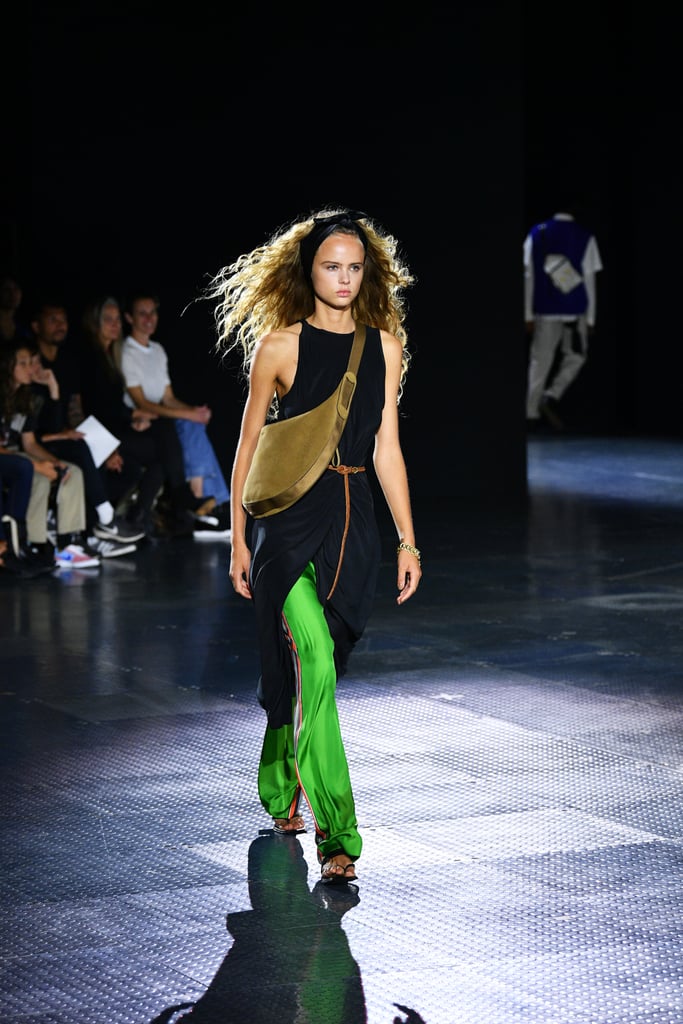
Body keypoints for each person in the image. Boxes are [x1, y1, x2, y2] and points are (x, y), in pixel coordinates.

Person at [206, 208, 422, 884]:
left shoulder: (380, 345)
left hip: (355, 526)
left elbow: (386, 446)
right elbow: (247, 449)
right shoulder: (278, 346)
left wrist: (407, 540)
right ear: (310, 270)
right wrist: (239, 540)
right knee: (316, 661)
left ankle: (278, 787)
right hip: (288, 526)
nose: (344, 278)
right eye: (332, 265)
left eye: (355, 267)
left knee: (308, 671)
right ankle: (339, 838)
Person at [30, 299, 145, 556]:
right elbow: (29, 429)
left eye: (63, 320)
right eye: (53, 320)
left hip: (67, 436)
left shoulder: (66, 363)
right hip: (42, 441)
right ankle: (105, 521)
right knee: (85, 451)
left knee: (126, 468)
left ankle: (95, 533)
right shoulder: (30, 363)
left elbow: (73, 412)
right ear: (36, 326)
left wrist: (100, 445)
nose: (60, 326)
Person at [120, 291, 230, 530]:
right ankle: (199, 503)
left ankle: (198, 505)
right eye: (142, 313)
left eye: (153, 312)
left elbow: (168, 397)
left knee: (194, 424)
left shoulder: (157, 350)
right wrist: (187, 414)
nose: (149, 318)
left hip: (161, 417)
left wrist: (194, 411)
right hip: (141, 422)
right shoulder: (126, 352)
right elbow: (143, 403)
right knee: (184, 425)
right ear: (129, 318)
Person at [0, 342, 99, 569]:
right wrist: (37, 467)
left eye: (30, 363)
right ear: (8, 368)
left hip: (17, 452)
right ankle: (34, 542)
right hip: (8, 456)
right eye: (22, 364)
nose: (30, 369)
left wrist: (53, 463)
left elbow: (30, 442)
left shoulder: (26, 397)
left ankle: (68, 543)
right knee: (37, 477)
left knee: (70, 471)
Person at [524, 201, 603, 430]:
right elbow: (589, 281)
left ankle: (532, 410)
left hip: (545, 310)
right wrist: (590, 319)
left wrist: (527, 313)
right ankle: (550, 395)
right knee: (576, 355)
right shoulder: (584, 236)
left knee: (540, 360)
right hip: (575, 311)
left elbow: (529, 278)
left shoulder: (537, 234)